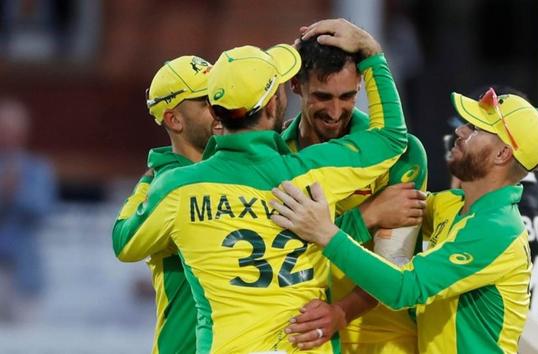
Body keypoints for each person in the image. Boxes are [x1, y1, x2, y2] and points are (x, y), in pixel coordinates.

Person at [113, 18, 408, 353]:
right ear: (272, 105)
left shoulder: (175, 189)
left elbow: (125, 242)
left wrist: (153, 178)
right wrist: (372, 54)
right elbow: (392, 137)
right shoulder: (309, 172)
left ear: (215, 111)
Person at [271, 88, 538, 353]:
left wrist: (326, 234)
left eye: (476, 129)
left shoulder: (495, 229)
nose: (460, 130)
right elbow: (389, 205)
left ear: (502, 154)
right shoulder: (454, 206)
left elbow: (405, 288)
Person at [280, 35, 428, 353]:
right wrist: (368, 215)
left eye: (347, 96)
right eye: (322, 96)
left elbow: (395, 266)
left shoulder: (403, 156)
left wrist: (341, 312)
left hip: (383, 337)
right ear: (296, 85)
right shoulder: (276, 155)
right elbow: (280, 250)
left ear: (361, 84)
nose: (336, 112)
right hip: (303, 336)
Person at [443, 87, 538, 340]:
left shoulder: (497, 217)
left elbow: (413, 286)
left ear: (503, 149)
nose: (459, 135)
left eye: (476, 128)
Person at [112, 55, 222, 354]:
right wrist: (149, 181)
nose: (218, 109)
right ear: (174, 119)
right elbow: (123, 243)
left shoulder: (232, 166)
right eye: (205, 102)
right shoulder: (170, 183)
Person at [0, 98, 56, 322]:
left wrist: (17, 193)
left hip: (24, 268)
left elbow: (42, 209)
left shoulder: (37, 168)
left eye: (12, 130)